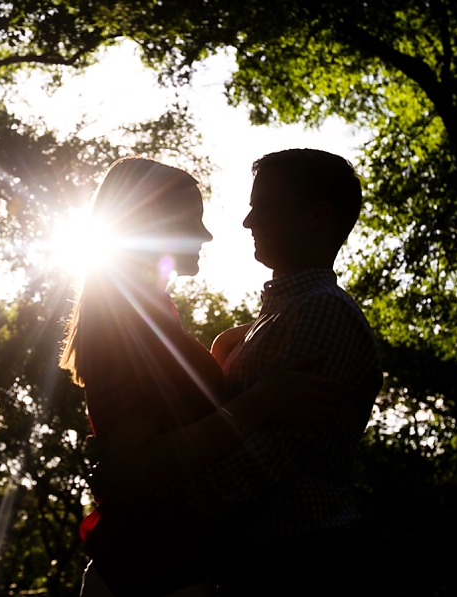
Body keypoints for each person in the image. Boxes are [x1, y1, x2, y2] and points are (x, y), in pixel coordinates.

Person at [59, 156, 347, 597]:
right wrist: (258, 403)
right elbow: (138, 467)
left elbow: (166, 407)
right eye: (193, 220)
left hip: (163, 563)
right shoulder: (128, 320)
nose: (207, 234)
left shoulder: (151, 313)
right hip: (148, 568)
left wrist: (214, 359)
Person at [183, 148, 384, 595]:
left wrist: (153, 484)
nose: (248, 222)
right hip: (262, 561)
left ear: (317, 216)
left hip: (298, 564)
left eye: (265, 206)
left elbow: (261, 462)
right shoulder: (279, 317)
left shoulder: (323, 313)